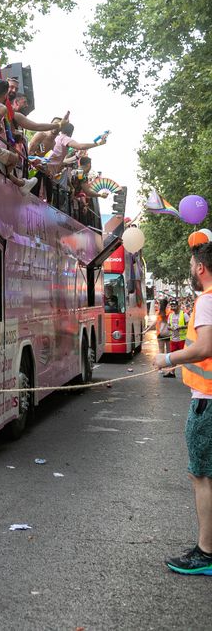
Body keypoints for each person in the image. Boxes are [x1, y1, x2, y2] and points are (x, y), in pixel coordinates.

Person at [152, 242, 212, 575]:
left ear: (200, 268)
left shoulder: (206, 300)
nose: (191, 269)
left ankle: (205, 553)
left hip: (207, 400)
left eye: (192, 264)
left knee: (202, 475)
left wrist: (168, 359)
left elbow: (205, 346)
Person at [0, 81, 38, 195]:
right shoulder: (1, 108)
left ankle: (21, 183)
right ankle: (6, 180)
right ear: (5, 94)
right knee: (15, 159)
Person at [165, 299, 190, 378]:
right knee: (172, 356)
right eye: (171, 306)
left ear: (178, 306)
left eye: (174, 306)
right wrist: (171, 328)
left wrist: (180, 327)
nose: (173, 307)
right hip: (173, 339)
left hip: (182, 339)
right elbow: (168, 326)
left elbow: (189, 325)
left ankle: (187, 373)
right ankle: (172, 372)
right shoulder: (171, 315)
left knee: (184, 357)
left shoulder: (184, 314)